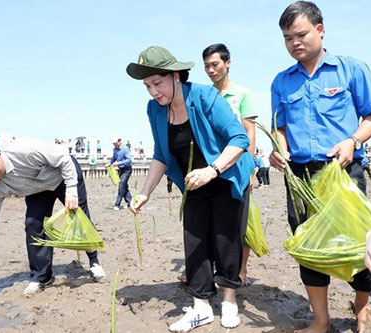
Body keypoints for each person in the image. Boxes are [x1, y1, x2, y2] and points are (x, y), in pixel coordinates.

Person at [127, 46, 254, 331]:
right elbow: (161, 152)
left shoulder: (205, 96)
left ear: (175, 76)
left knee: (225, 240)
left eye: (157, 83)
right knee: (195, 243)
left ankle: (230, 300)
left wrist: (213, 170)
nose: (153, 92)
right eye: (147, 86)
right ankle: (202, 307)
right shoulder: (155, 110)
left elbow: (239, 138)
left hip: (225, 176)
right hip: (192, 183)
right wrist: (146, 191)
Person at [269, 2, 371, 332]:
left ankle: (362, 309)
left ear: (320, 29)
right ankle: (321, 319)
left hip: (343, 170)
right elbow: (279, 127)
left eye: (301, 34)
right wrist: (279, 150)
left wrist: (353, 142)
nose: (295, 43)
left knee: (356, 242)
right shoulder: (281, 81)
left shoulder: (350, 69)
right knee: (308, 245)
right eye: (288, 38)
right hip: (300, 175)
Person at [0, 139, 105, 296]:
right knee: (33, 224)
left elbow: (63, 158)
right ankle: (41, 277)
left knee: (80, 219)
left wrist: (72, 191)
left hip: (64, 175)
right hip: (38, 189)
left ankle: (94, 261)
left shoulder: (25, 151)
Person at [203, 43, 258, 286]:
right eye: (206, 66)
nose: (211, 70)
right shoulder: (205, 95)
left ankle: (241, 270)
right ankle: (212, 270)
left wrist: (251, 168)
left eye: (214, 64)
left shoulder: (242, 95)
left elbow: (250, 132)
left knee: (239, 223)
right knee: (212, 222)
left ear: (228, 63)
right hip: (213, 166)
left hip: (238, 166)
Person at [106, 135, 133, 211]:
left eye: (115, 143)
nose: (114, 145)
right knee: (124, 186)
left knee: (121, 185)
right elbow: (113, 158)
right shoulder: (115, 150)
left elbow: (129, 160)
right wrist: (109, 163)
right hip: (121, 170)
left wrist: (118, 163)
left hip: (127, 170)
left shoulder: (125, 149)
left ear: (119, 141)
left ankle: (117, 204)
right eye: (113, 143)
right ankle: (130, 203)